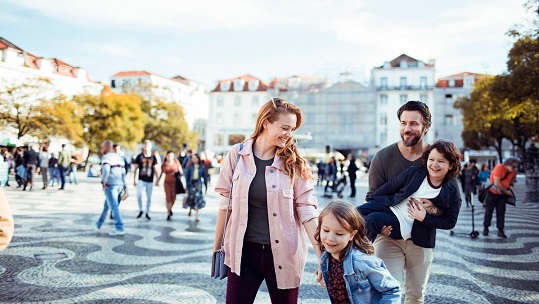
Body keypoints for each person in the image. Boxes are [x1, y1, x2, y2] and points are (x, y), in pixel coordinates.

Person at [213, 98, 322, 303]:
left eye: (292, 129)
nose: (289, 134)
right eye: (285, 128)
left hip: (284, 254)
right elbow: (224, 206)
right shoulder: (236, 155)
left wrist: (322, 256)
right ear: (266, 123)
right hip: (242, 254)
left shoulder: (295, 164)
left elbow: (307, 211)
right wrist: (216, 248)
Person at [362, 100, 459, 304]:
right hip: (388, 237)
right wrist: (378, 227)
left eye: (414, 123)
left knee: (415, 296)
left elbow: (448, 204)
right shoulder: (383, 157)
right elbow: (374, 196)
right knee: (388, 293)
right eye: (403, 123)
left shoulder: (438, 158)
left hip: (421, 238)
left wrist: (432, 210)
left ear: (426, 127)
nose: (407, 129)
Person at [358, 140, 461, 244]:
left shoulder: (451, 192)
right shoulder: (415, 173)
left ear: (451, 165)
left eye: (441, 161)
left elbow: (450, 222)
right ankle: (345, 250)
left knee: (372, 219)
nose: (434, 164)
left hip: (406, 224)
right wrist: (370, 200)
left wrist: (424, 218)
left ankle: (361, 256)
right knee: (353, 213)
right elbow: (390, 187)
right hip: (392, 207)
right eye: (432, 159)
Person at [316, 200, 401, 304]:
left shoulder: (362, 262)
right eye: (326, 230)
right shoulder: (326, 258)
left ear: (352, 235)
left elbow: (393, 290)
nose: (330, 238)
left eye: (339, 233)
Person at [94, 140, 126, 236]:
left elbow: (106, 169)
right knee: (107, 205)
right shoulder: (119, 157)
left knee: (113, 206)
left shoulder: (106, 157)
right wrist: (124, 185)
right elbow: (123, 172)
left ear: (106, 147)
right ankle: (98, 224)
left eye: (103, 147)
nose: (102, 149)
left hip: (110, 184)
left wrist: (103, 181)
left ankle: (119, 227)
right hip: (119, 184)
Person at [483, 158, 519, 239]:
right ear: (508, 164)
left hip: (502, 195)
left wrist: (511, 186)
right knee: (489, 211)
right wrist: (507, 192)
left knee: (501, 213)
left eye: (515, 167)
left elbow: (512, 180)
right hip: (492, 193)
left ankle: (500, 230)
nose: (514, 168)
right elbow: (497, 183)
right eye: (513, 166)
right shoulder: (499, 167)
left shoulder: (513, 172)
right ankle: (486, 228)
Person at [133, 140, 159, 220]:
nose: (146, 147)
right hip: (141, 179)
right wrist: (134, 180)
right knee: (139, 195)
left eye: (147, 146)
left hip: (150, 180)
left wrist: (157, 180)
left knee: (149, 197)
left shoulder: (153, 157)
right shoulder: (139, 156)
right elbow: (136, 168)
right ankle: (141, 209)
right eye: (145, 145)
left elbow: (155, 169)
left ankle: (147, 212)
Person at [156, 151, 182, 221]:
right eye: (169, 156)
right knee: (168, 198)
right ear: (166, 156)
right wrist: (157, 181)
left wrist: (177, 173)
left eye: (171, 156)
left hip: (175, 183)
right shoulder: (164, 164)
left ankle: (170, 209)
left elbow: (181, 172)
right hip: (167, 183)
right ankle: (168, 212)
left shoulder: (176, 163)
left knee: (173, 198)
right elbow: (161, 173)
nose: (170, 157)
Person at [184, 153, 207, 222]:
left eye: (195, 158)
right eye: (193, 158)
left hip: (198, 184)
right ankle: (190, 209)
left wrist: (206, 186)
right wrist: (187, 187)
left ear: (198, 159)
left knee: (198, 198)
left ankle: (197, 216)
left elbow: (205, 177)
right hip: (191, 184)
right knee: (191, 198)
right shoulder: (190, 167)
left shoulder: (202, 167)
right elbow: (187, 177)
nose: (194, 159)